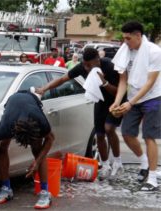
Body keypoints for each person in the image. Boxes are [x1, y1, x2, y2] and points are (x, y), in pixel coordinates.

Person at [37, 48, 124, 181]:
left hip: (116, 100)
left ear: (97, 60)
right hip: (100, 100)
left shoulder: (109, 66)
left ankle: (118, 162)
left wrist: (104, 82)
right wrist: (44, 89)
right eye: (85, 65)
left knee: (109, 128)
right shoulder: (83, 67)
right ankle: (105, 165)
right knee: (100, 134)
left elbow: (118, 91)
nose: (86, 68)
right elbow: (62, 79)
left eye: (89, 65)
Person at [0, 90, 54, 209]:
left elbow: (50, 139)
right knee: (1, 148)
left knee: (37, 150)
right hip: (12, 102)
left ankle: (45, 193)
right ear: (13, 133)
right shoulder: (6, 126)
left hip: (31, 100)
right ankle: (6, 188)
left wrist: (37, 162)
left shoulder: (40, 121)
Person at [109, 21, 161, 191]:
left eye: (128, 38)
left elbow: (150, 83)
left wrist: (130, 103)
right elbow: (123, 80)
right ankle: (144, 162)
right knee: (127, 133)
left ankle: (152, 178)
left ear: (138, 36)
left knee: (148, 136)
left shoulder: (154, 51)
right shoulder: (125, 51)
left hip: (153, 96)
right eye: (123, 38)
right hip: (134, 96)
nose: (125, 42)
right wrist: (117, 101)